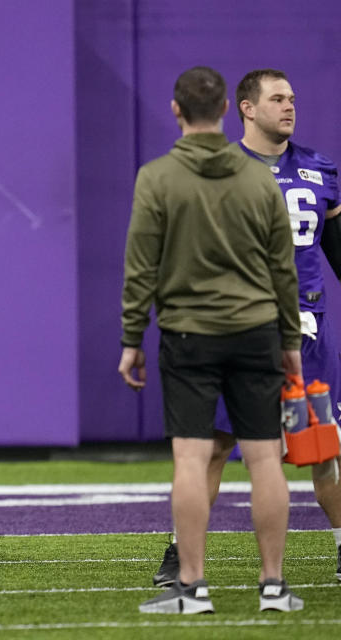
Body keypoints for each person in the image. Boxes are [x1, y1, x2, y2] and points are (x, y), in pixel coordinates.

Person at [119, 66, 304, 614]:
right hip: (256, 335)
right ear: (228, 108)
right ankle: (274, 586)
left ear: (176, 111)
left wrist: (132, 338)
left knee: (192, 462)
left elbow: (140, 268)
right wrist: (289, 341)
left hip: (188, 336)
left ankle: (192, 589)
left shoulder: (156, 178)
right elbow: (282, 271)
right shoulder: (258, 180)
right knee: (266, 459)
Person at [151, 68, 341, 590]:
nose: (290, 107)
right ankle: (179, 553)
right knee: (213, 444)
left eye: (293, 98)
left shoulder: (320, 170)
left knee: (324, 447)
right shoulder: (222, 169)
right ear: (246, 108)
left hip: (308, 329)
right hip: (242, 328)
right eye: (277, 98)